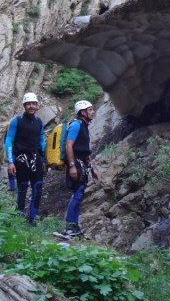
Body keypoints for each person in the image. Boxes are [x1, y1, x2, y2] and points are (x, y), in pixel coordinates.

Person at [57, 99, 100, 239]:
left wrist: (92, 169)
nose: (93, 112)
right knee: (78, 194)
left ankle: (74, 227)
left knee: (79, 194)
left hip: (81, 163)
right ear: (82, 112)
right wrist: (71, 166)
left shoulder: (84, 126)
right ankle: (70, 227)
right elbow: (69, 145)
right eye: (90, 109)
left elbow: (85, 151)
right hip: (75, 164)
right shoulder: (76, 125)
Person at [5, 92, 46, 225]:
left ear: (37, 106)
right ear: (24, 105)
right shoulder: (16, 121)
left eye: (34, 104)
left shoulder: (39, 122)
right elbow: (9, 141)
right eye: (29, 104)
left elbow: (42, 141)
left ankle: (33, 219)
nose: (31, 106)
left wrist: (44, 159)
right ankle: (19, 217)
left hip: (36, 157)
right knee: (22, 188)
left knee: (37, 188)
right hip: (21, 159)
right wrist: (10, 162)